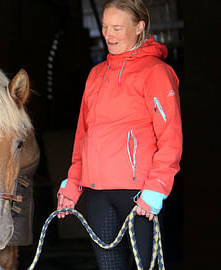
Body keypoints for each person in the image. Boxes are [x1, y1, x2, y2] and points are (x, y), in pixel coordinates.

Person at [56, 0, 182, 269]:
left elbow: (170, 138)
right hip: (97, 193)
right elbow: (83, 137)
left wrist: (157, 188)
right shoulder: (95, 75)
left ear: (139, 27)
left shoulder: (156, 72)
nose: (108, 35)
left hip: (140, 195)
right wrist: (72, 184)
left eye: (116, 28)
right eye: (104, 27)